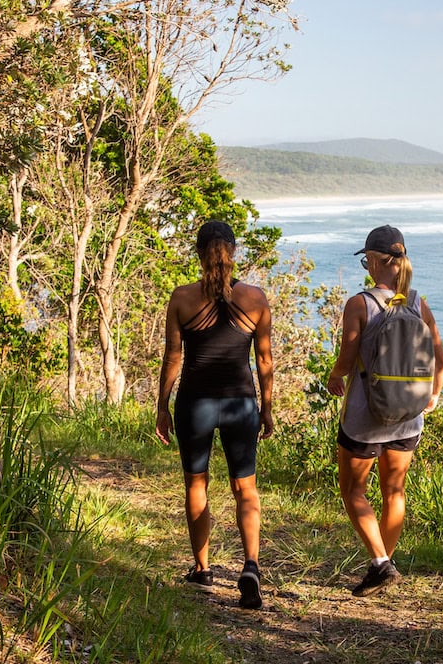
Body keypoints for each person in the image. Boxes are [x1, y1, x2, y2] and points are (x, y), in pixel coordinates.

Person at [156, 220, 275, 609]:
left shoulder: (182, 298)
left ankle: (203, 569)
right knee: (246, 488)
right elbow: (264, 361)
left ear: (198, 252)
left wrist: (162, 405)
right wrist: (267, 408)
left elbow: (174, 356)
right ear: (233, 251)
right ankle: (251, 566)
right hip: (241, 404)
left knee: (197, 484)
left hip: (195, 404)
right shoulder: (256, 298)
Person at [325, 224, 443, 597]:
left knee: (352, 490)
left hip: (366, 417)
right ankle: (383, 563)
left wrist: (335, 376)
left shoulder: (360, 304)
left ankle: (380, 564)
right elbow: (440, 361)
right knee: (394, 492)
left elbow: (347, 359)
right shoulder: (416, 303)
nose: (365, 266)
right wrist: (432, 397)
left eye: (366, 259)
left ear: (377, 261)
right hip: (409, 416)